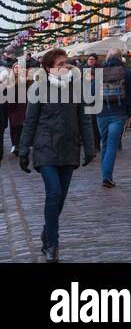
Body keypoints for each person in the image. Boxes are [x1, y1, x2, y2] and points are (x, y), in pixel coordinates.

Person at [17, 49, 96, 262]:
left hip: (69, 148)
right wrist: (24, 150)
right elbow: (30, 122)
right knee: (53, 193)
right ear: (49, 67)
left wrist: (90, 148)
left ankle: (46, 233)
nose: (65, 66)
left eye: (66, 63)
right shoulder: (39, 89)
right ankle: (53, 245)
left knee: (60, 198)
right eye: (60, 63)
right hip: (45, 148)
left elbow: (85, 120)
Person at [96, 49, 131, 188]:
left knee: (105, 143)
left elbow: (90, 92)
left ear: (108, 58)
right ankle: (107, 176)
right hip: (119, 113)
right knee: (112, 144)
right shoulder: (128, 73)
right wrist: (130, 113)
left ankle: (105, 175)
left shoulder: (99, 73)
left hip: (101, 112)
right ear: (121, 58)